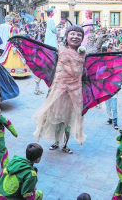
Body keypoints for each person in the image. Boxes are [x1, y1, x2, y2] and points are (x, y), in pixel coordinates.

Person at [33, 25, 86, 154]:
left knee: (69, 120)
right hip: (59, 90)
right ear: (66, 36)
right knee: (56, 117)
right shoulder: (59, 50)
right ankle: (56, 142)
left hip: (75, 91)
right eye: (72, 34)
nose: (75, 37)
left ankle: (65, 144)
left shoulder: (84, 55)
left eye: (79, 35)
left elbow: (86, 73)